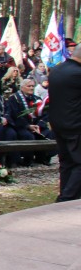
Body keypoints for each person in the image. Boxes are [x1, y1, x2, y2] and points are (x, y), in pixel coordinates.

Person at [48, 42, 81, 201]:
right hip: (76, 124)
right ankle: (67, 198)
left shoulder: (57, 70)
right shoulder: (77, 73)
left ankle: (64, 195)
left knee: (66, 163)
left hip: (58, 123)